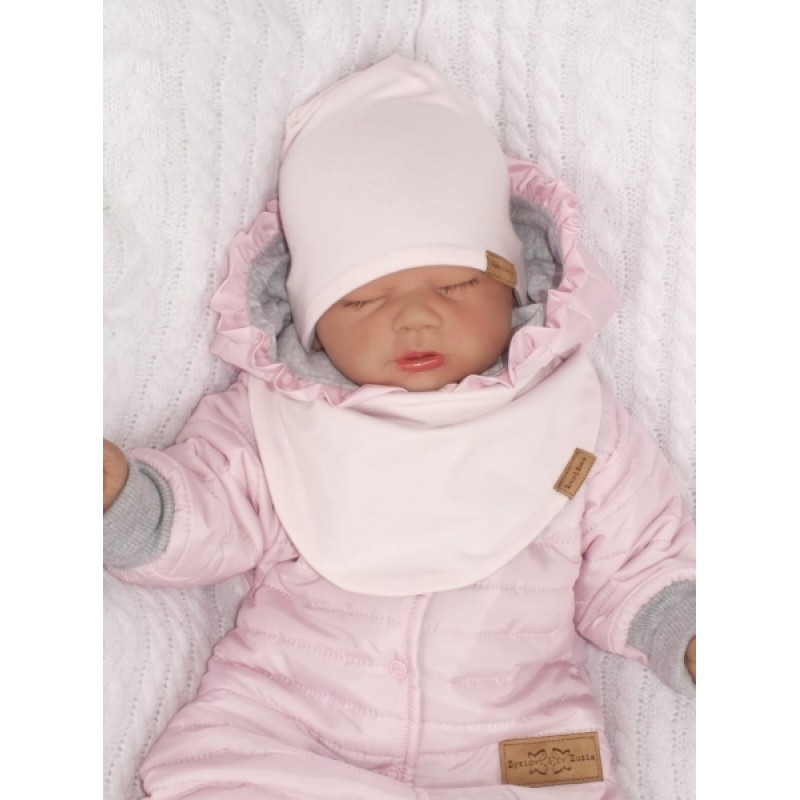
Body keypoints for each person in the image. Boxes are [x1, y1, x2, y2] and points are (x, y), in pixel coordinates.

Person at [103, 55, 695, 800]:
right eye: (362, 300)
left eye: (455, 284)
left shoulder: (579, 427)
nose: (415, 317)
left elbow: (643, 563)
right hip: (291, 733)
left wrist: (690, 632)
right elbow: (206, 510)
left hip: (511, 750)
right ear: (311, 319)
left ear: (514, 284)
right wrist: (124, 498)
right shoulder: (274, 424)